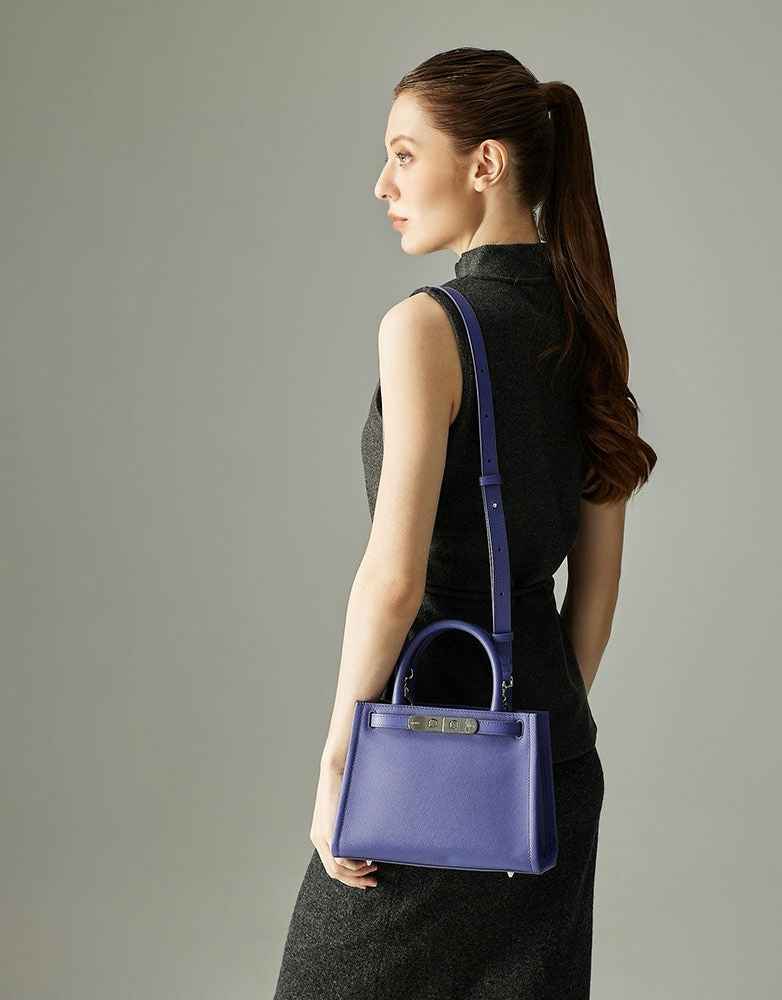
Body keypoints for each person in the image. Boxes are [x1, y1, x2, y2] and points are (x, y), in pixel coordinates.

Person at [273, 46, 657, 999]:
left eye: (404, 154)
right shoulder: (590, 325)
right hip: (553, 762)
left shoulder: (426, 328)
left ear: (485, 163)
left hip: (422, 755)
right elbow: (598, 586)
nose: (383, 184)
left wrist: (337, 762)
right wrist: (528, 737)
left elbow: (393, 579)